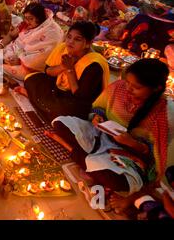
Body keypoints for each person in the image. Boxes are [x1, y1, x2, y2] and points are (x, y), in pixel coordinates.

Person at [51, 59, 173, 213]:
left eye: (136, 87)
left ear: (156, 89)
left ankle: (77, 153)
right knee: (60, 124)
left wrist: (131, 143)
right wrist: (96, 117)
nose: (128, 88)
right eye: (127, 82)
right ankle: (90, 162)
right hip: (101, 136)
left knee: (116, 181)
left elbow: (154, 159)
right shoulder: (119, 87)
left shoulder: (165, 114)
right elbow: (98, 107)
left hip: (128, 156)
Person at [21, 21, 109, 122]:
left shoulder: (94, 65)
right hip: (58, 89)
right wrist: (62, 67)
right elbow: (47, 71)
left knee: (64, 110)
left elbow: (80, 96)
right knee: (31, 79)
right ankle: (40, 104)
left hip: (76, 101)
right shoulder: (63, 48)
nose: (70, 42)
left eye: (77, 39)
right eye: (69, 37)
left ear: (88, 43)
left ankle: (36, 100)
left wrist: (70, 70)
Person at [0, 3, 64, 80]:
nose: (27, 21)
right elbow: (11, 36)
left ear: (39, 18)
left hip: (30, 67)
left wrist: (19, 60)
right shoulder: (25, 24)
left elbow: (40, 56)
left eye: (31, 18)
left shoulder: (52, 31)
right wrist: (0, 46)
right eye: (26, 18)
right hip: (14, 51)